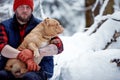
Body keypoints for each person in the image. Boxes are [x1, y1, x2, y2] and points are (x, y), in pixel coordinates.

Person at [0, 0, 64, 80]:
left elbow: (59, 46)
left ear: (32, 9)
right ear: (15, 9)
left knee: (29, 78)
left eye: (28, 7)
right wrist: (24, 56)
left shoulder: (43, 25)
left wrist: (37, 52)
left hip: (39, 69)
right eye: (21, 7)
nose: (25, 10)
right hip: (12, 67)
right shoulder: (4, 26)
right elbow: (1, 47)